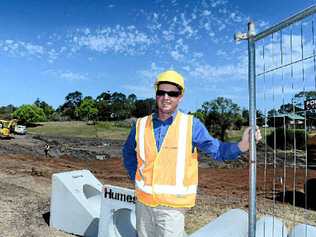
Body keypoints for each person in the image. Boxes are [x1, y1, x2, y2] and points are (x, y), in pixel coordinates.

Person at [122, 70, 262, 237]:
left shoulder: (191, 125)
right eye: (162, 92)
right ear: (156, 94)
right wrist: (136, 176)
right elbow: (128, 152)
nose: (166, 97)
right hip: (143, 203)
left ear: (180, 97)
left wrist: (242, 145)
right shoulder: (140, 124)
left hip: (172, 209)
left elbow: (217, 150)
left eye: (172, 93)